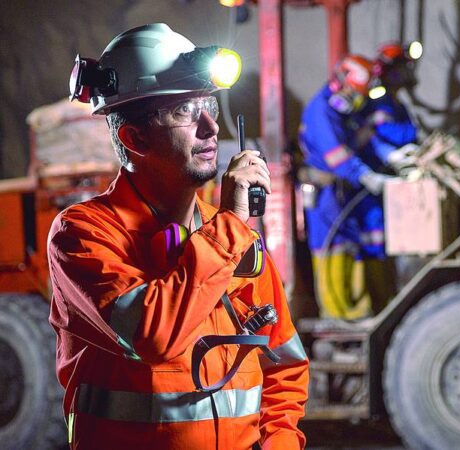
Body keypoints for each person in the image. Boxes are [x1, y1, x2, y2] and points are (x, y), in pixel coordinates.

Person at [48, 23, 308, 450]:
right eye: (183, 111)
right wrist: (230, 227)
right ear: (134, 138)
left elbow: (285, 362)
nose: (209, 127)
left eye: (208, 105)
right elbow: (154, 336)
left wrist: (280, 443)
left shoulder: (233, 235)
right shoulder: (82, 235)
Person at [298, 54, 397, 320]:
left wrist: (390, 154)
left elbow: (363, 137)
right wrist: (368, 176)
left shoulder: (342, 112)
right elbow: (338, 158)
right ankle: (336, 314)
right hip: (324, 192)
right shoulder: (321, 111)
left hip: (342, 191)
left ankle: (356, 310)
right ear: (340, 84)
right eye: (354, 92)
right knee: (331, 246)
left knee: (350, 243)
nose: (357, 100)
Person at [365, 42, 421, 171]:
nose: (408, 72)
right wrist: (415, 133)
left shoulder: (396, 101)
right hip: (385, 167)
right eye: (404, 67)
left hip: (403, 160)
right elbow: (391, 133)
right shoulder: (379, 101)